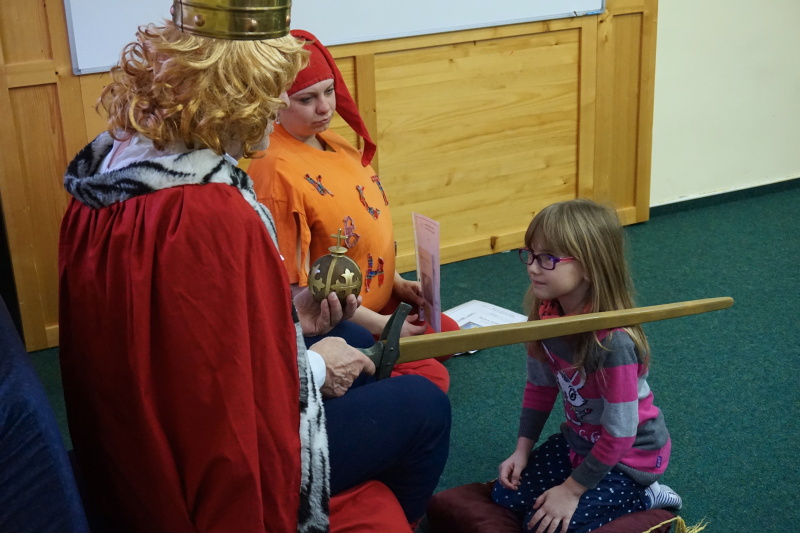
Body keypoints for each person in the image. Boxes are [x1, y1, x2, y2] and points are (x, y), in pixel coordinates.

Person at [58, 18, 450, 533]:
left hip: (131, 443)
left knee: (352, 335)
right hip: (213, 473)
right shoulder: (204, 212)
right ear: (228, 96)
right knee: (425, 407)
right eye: (270, 93)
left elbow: (177, 340)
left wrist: (290, 316)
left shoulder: (113, 172)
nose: (276, 106)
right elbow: (216, 397)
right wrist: (314, 368)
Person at [248, 30, 458, 393]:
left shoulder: (332, 141)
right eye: (307, 98)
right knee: (431, 378)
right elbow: (296, 291)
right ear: (275, 102)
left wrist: (396, 283)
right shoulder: (275, 172)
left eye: (329, 91)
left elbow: (360, 233)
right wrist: (382, 325)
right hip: (336, 319)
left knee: (447, 333)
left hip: (374, 299)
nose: (324, 108)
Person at [490, 199, 682, 533]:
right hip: (581, 440)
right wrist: (522, 450)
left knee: (545, 527)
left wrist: (572, 490)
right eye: (530, 254)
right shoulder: (546, 317)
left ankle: (647, 496)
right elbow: (540, 387)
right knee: (505, 497)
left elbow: (621, 433)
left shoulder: (614, 344)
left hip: (629, 457)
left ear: (591, 266)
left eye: (548, 258)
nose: (532, 267)